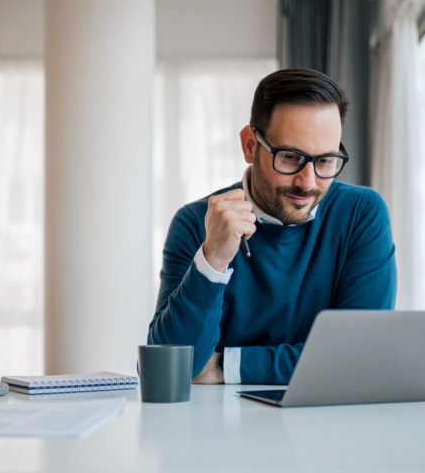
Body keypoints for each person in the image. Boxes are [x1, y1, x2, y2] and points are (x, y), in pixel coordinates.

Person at [147, 68, 396, 385]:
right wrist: (213, 261)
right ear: (250, 145)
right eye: (291, 157)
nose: (308, 183)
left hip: (329, 425)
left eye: (326, 161)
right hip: (216, 430)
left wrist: (228, 366)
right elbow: (168, 366)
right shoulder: (195, 223)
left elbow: (362, 356)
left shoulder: (361, 213)